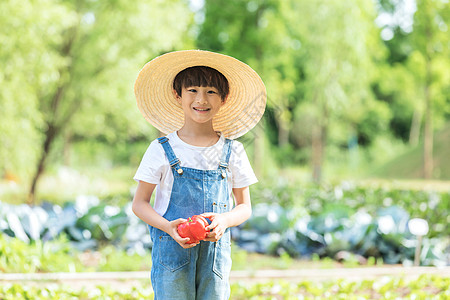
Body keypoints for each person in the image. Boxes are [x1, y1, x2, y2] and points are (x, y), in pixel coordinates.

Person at [132, 50, 266, 299]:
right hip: (172, 253)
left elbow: (245, 207)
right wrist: (168, 227)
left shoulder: (232, 150)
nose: (201, 99)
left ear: (223, 98)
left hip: (214, 258)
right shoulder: (161, 149)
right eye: (192, 90)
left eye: (211, 92)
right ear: (178, 95)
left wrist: (224, 221)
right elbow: (139, 204)